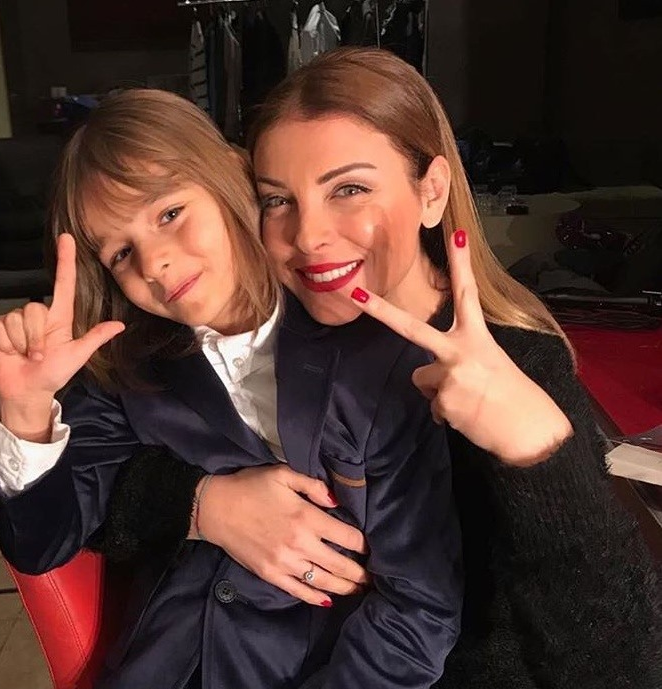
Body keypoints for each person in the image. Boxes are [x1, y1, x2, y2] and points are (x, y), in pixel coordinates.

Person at [91, 48, 662, 688]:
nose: (308, 236)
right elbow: (99, 474)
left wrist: (539, 451)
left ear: (431, 191)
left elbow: (622, 670)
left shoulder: (519, 363)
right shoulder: (273, 335)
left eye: (350, 189)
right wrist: (204, 504)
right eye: (278, 200)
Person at [0, 87, 462, 689]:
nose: (154, 263)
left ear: (230, 178)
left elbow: (420, 610)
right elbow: (41, 542)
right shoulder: (129, 368)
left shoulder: (370, 352)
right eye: (122, 253)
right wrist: (27, 412)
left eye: (169, 214)